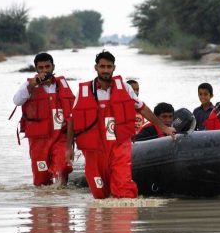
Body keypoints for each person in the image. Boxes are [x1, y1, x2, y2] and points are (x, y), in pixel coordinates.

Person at [66, 50, 176, 199]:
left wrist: (164, 128)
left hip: (119, 145)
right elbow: (73, 119)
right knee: (99, 194)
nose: (105, 70)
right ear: (96, 67)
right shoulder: (84, 91)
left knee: (124, 190)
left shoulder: (125, 88)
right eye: (102, 66)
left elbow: (143, 109)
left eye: (109, 67)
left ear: (114, 68)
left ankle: (124, 219)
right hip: (95, 150)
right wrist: (69, 148)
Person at [13, 53, 75, 187]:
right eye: (41, 68)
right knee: (41, 181)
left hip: (60, 137)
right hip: (38, 141)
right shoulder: (29, 86)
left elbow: (72, 115)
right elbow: (16, 101)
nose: (45, 70)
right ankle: (44, 205)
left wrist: (70, 146)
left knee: (62, 167)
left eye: (47, 67)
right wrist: (32, 85)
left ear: (53, 67)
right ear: (36, 69)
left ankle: (61, 204)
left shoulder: (62, 85)